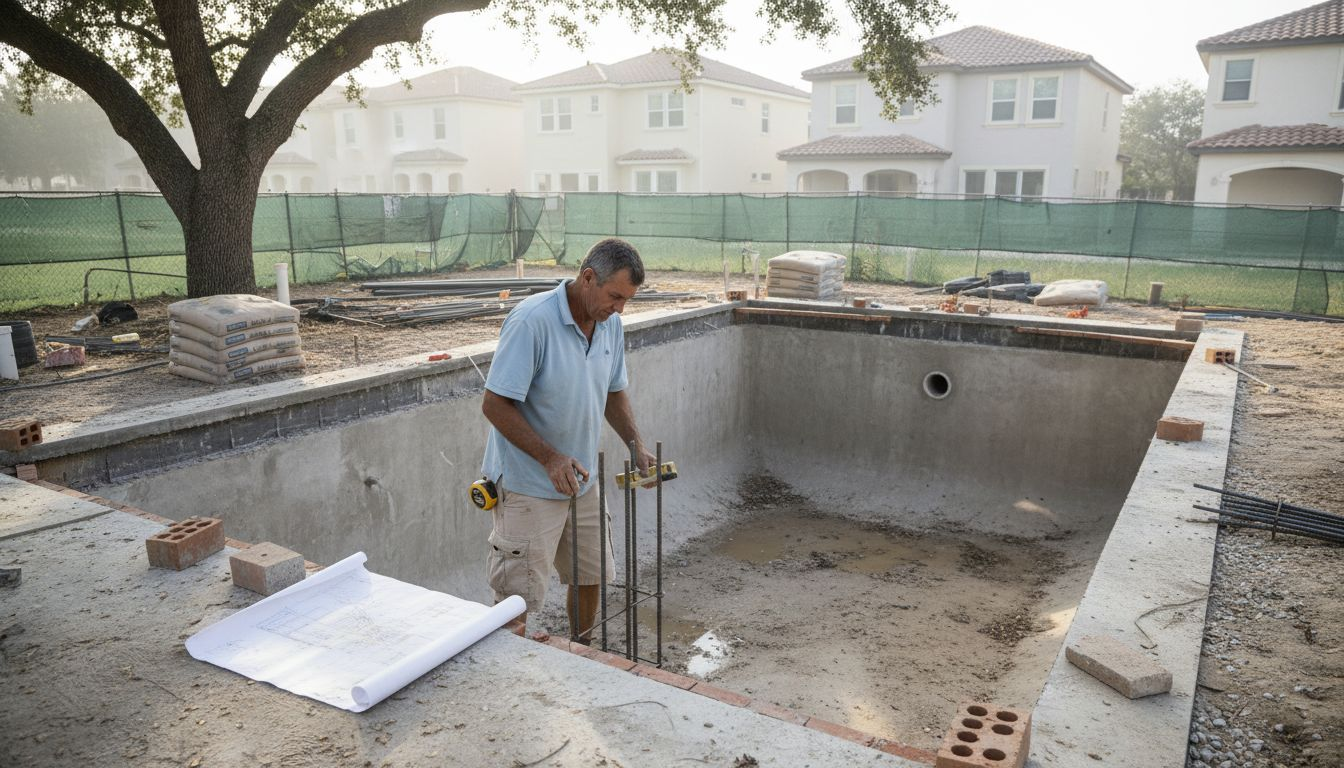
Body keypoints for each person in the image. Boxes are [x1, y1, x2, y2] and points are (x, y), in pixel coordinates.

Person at [480, 238, 655, 642]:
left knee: (589, 572)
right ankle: (508, 664)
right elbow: (494, 404)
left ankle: (583, 650)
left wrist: (634, 443)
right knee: (517, 594)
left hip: (581, 480)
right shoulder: (532, 321)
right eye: (615, 296)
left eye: (627, 300)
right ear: (588, 277)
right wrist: (550, 458)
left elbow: (613, 391)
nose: (620, 309)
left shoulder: (610, 325)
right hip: (528, 483)